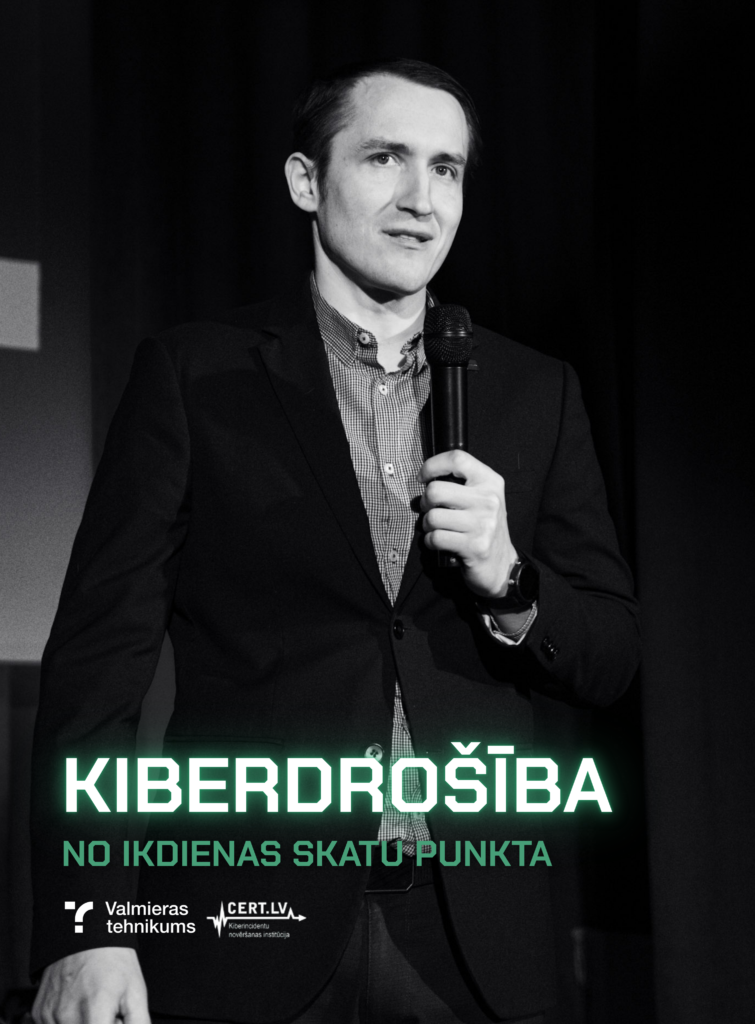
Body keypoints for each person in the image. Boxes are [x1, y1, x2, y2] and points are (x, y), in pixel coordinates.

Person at [30, 59, 639, 1024]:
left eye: (445, 168)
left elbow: (611, 655)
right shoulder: (195, 374)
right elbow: (97, 666)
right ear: (305, 182)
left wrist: (510, 580)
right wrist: (86, 921)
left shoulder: (535, 391)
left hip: (469, 940)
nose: (420, 198)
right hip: (244, 925)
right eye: (385, 158)